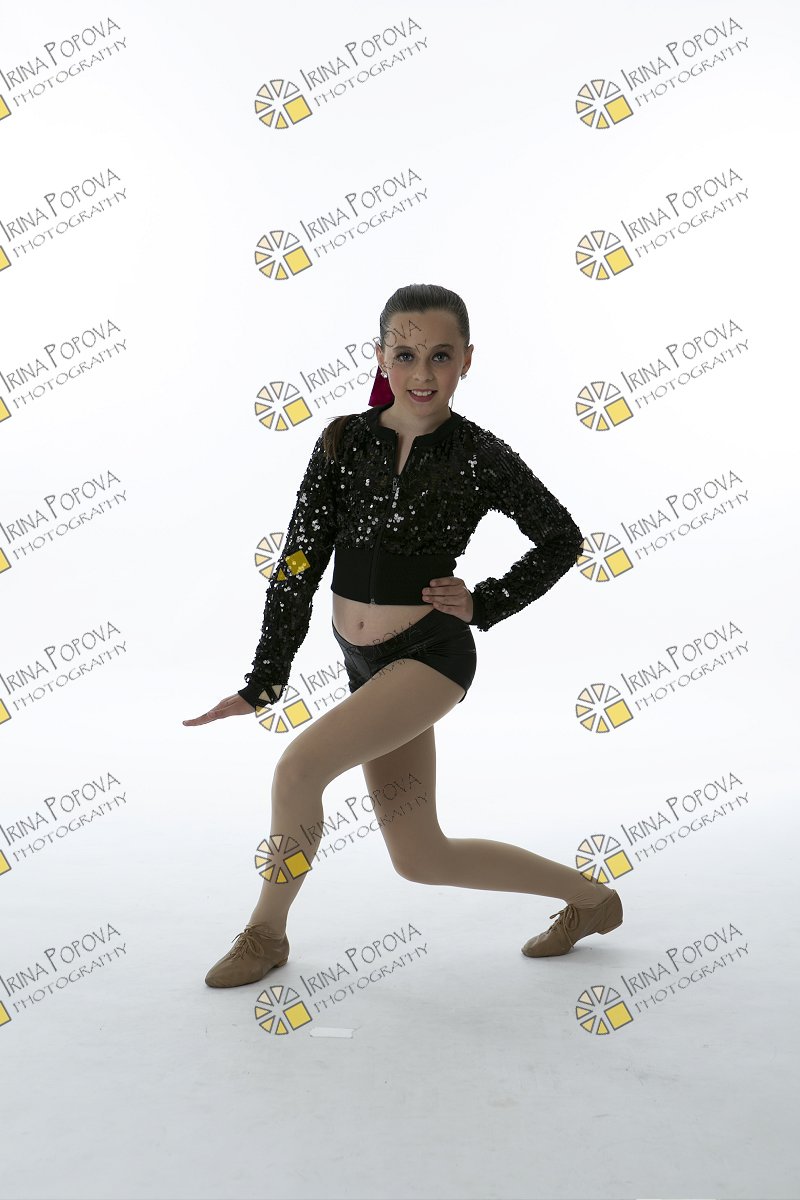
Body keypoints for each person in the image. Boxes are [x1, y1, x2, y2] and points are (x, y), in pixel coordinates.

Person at [183, 283, 623, 988]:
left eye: (441, 356)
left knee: (298, 769)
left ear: (467, 360)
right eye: (407, 354)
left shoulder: (479, 454)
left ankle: (266, 934)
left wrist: (486, 602)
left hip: (430, 657)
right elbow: (298, 561)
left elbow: (561, 537)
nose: (423, 373)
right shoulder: (344, 441)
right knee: (421, 857)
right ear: (381, 356)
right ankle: (593, 900)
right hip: (363, 663)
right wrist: (266, 678)